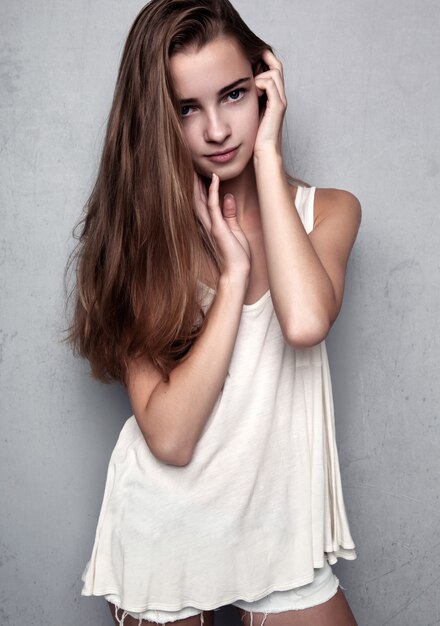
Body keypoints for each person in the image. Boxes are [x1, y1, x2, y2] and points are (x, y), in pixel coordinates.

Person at [65, 0, 362, 624]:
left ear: (265, 86)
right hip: (166, 530)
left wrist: (269, 157)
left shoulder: (329, 212)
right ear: (158, 121)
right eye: (186, 109)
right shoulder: (140, 244)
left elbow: (305, 322)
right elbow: (170, 438)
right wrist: (230, 281)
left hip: (282, 532)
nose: (218, 130)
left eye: (232, 95)